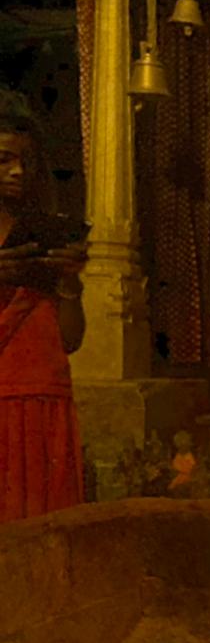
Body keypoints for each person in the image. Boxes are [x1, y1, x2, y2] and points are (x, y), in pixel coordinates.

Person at [0, 113, 88, 522]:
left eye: (28, 161)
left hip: (44, 399)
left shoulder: (43, 233)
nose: (19, 171)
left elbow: (70, 340)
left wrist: (70, 282)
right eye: (4, 159)